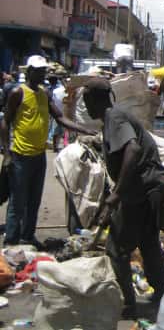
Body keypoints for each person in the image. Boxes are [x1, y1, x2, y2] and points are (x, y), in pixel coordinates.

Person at [82, 78, 164, 318]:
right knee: (148, 244)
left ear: (95, 99)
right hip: (149, 190)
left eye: (86, 101)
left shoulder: (114, 117)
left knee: (117, 249)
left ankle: (127, 304)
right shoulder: (113, 118)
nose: (87, 107)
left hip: (141, 191)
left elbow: (132, 149)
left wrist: (116, 194)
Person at [0, 55, 95, 248]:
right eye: (39, 70)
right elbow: (5, 122)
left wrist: (84, 129)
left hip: (38, 156)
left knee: (34, 200)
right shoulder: (19, 92)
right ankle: (11, 240)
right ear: (30, 71)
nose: (42, 74)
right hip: (20, 155)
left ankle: (27, 236)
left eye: (44, 70)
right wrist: (7, 154)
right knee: (18, 202)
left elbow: (60, 118)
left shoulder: (44, 94)